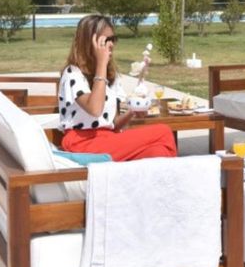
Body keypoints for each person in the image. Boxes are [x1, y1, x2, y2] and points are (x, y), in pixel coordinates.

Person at [58, 14, 176, 160]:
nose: (111, 45)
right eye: (105, 40)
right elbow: (95, 109)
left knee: (158, 151)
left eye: (113, 39)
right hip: (82, 143)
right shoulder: (72, 73)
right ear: (89, 42)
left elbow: (113, 123)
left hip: (107, 139)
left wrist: (132, 112)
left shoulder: (109, 75)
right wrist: (101, 63)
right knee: (164, 132)